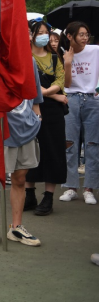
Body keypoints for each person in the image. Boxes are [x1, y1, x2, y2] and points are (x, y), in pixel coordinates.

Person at [0, 60, 44, 247]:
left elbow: (36, 95)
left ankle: (16, 227)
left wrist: (37, 119)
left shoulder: (29, 61)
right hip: (1, 129)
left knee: (20, 178)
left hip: (27, 129)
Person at [23, 21, 67, 215]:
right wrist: (55, 95)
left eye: (46, 33)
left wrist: (46, 92)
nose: (44, 36)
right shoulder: (25, 57)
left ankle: (48, 197)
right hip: (31, 109)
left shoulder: (55, 58)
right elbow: (28, 84)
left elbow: (61, 80)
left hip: (53, 113)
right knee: (31, 151)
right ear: (31, 35)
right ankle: (29, 195)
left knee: (53, 151)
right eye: (39, 32)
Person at [59, 22, 98, 205]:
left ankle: (89, 188)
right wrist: (67, 63)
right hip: (71, 99)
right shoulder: (63, 53)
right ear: (70, 36)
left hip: (92, 99)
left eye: (86, 34)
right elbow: (66, 84)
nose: (85, 38)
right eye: (81, 34)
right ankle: (71, 187)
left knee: (93, 144)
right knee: (70, 144)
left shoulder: (95, 50)